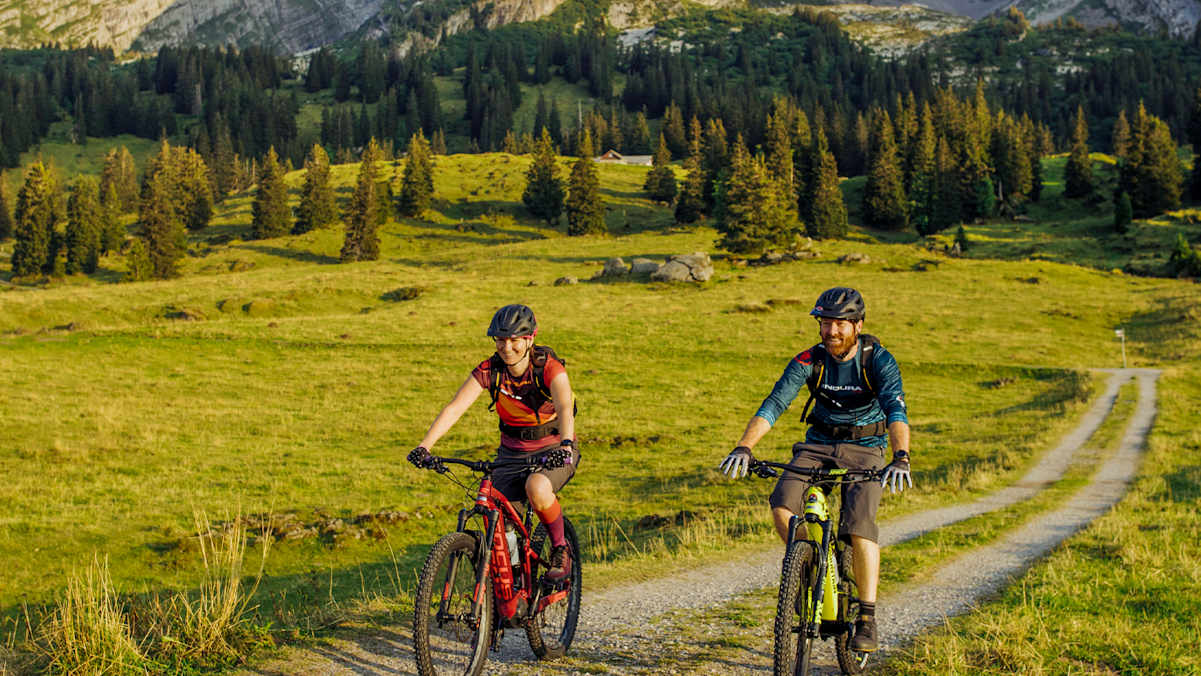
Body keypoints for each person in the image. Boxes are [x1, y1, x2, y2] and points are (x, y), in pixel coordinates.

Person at [718, 286, 912, 652]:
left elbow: (896, 412)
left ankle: (867, 616)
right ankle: (807, 569)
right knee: (782, 503)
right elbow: (774, 405)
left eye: (839, 324)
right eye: (825, 323)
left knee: (859, 525)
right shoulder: (810, 359)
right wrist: (745, 446)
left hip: (866, 447)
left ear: (857, 325)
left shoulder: (878, 360)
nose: (831, 332)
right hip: (817, 444)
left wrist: (901, 455)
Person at [408, 304, 578, 581]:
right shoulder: (490, 370)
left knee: (536, 487)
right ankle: (510, 582)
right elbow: (454, 408)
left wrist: (566, 445)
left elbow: (565, 405)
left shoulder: (549, 368)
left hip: (553, 449)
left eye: (514, 340)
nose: (506, 347)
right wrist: (424, 446)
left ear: (530, 339)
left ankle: (560, 548)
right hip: (511, 453)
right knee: (499, 518)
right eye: (500, 340)